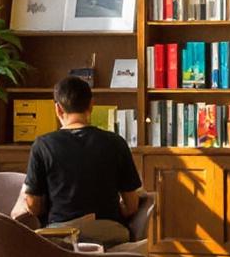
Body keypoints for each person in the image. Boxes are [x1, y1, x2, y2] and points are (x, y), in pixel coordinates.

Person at [21, 74, 142, 247]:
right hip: (109, 234)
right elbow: (132, 205)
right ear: (91, 105)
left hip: (61, 237)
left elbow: (33, 206)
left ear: (58, 109)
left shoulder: (42, 145)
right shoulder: (116, 142)